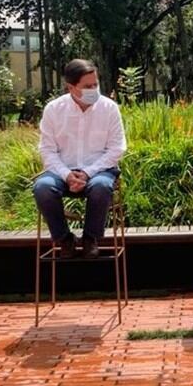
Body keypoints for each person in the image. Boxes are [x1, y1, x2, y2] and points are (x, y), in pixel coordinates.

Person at [33, 59, 127, 259]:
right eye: (87, 86)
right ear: (71, 87)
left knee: (101, 187)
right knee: (42, 188)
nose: (94, 89)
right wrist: (67, 175)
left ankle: (90, 238)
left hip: (100, 170)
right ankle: (64, 239)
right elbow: (47, 150)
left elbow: (116, 149)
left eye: (96, 84)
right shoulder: (53, 110)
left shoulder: (109, 108)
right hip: (61, 171)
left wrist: (86, 173)